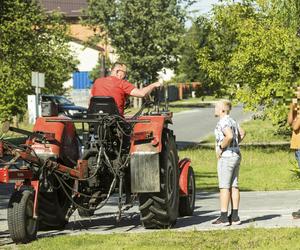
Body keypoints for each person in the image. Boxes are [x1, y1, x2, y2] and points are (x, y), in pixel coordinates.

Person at [212, 99, 245, 226]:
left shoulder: (223, 121)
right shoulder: (232, 120)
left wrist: (221, 148)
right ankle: (235, 216)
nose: (215, 109)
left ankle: (224, 217)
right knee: (234, 185)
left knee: (224, 187)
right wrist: (235, 145)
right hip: (236, 154)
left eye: (216, 107)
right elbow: (242, 132)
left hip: (226, 157)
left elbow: (229, 136)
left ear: (222, 110)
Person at [90, 62, 162, 116]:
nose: (125, 76)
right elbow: (142, 93)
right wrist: (154, 85)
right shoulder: (121, 83)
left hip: (96, 117)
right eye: (125, 73)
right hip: (115, 120)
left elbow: (91, 100)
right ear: (119, 72)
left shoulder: (97, 81)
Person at [287, 88, 300, 219]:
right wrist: (293, 105)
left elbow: (295, 127)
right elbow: (290, 121)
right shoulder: (297, 107)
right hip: (297, 146)